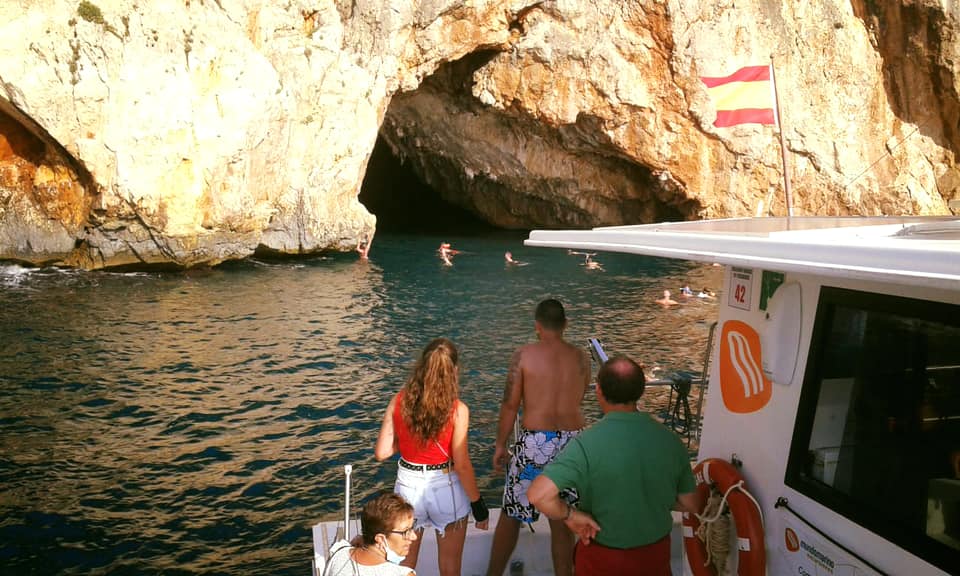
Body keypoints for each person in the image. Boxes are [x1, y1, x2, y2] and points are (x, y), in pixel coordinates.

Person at [528, 355, 700, 576]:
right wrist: (652, 496)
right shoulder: (670, 441)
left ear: (598, 390)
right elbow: (691, 503)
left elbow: (538, 495)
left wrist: (571, 515)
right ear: (641, 390)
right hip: (654, 558)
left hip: (602, 559)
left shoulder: (585, 444)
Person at [486, 299, 590, 576]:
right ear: (565, 325)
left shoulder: (523, 356)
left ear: (537, 326)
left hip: (535, 442)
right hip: (573, 442)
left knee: (511, 513)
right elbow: (581, 395)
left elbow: (510, 404)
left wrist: (500, 445)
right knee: (561, 515)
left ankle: (493, 575)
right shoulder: (582, 357)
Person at [375, 338, 490, 576]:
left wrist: (410, 441)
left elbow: (382, 452)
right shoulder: (459, 410)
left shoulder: (399, 401)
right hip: (446, 487)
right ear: (455, 371)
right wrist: (478, 504)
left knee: (404, 565)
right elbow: (463, 465)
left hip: (408, 487)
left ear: (421, 366)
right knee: (450, 567)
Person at [322, 492, 418, 576]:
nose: (414, 537)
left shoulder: (338, 552)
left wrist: (365, 539)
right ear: (380, 538)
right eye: (406, 531)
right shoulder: (402, 574)